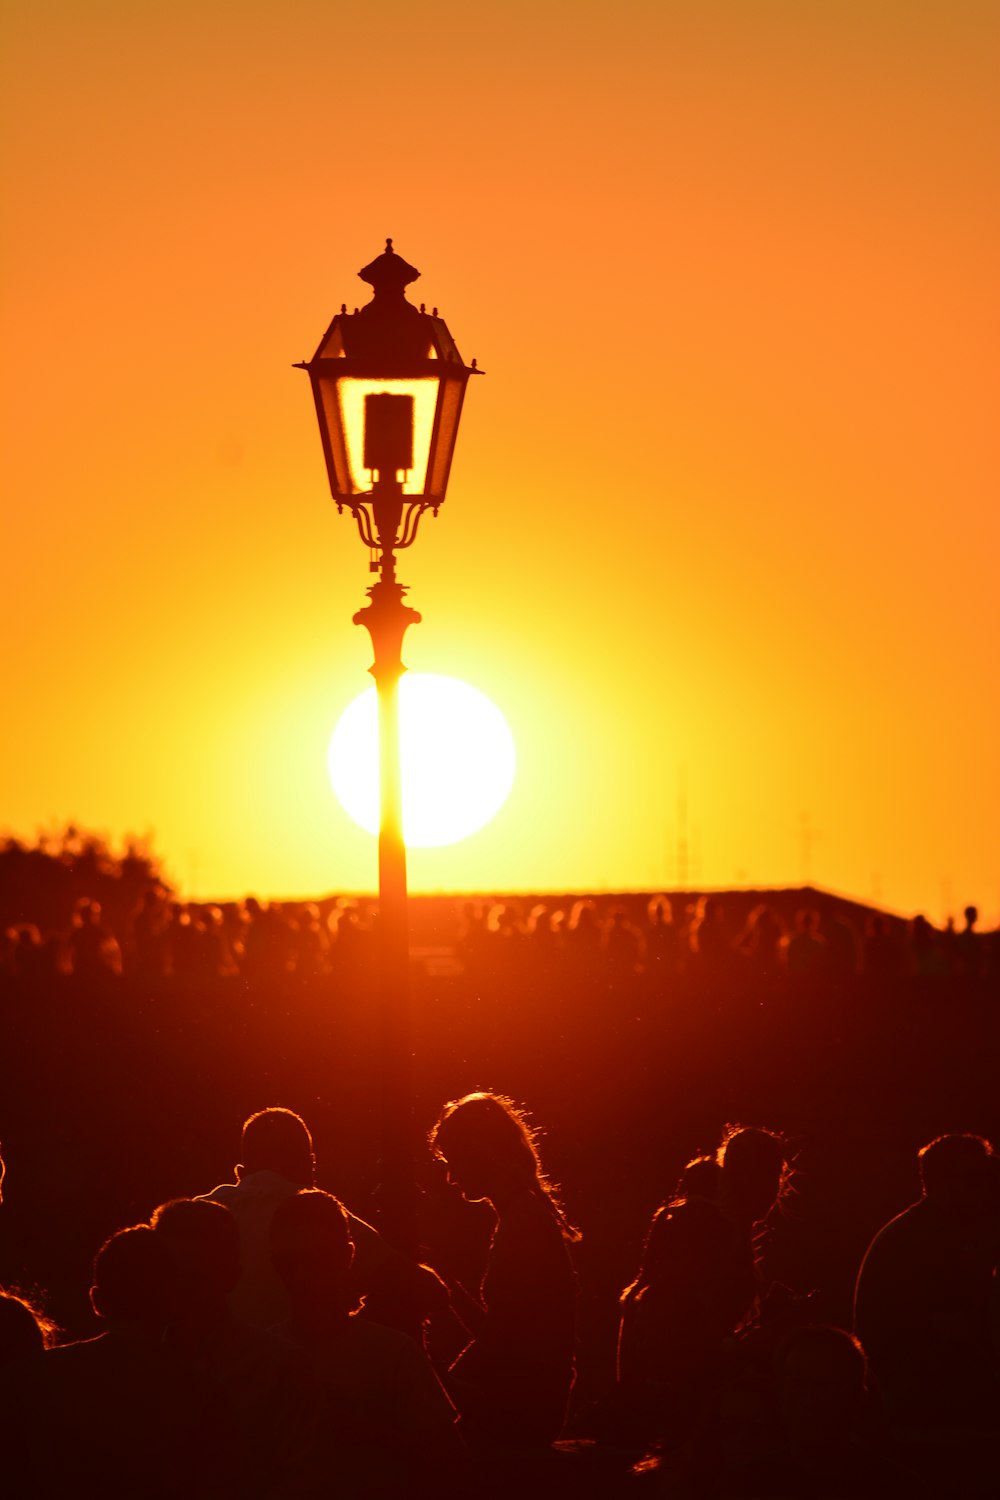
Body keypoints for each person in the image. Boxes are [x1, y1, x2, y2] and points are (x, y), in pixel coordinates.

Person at [269, 1188, 467, 1494]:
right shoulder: (262, 1356)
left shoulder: (394, 1355)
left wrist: (349, 1428)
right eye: (291, 1263)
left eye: (318, 1260)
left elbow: (450, 1463)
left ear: (347, 1255)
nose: (303, 1275)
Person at [198, 1105, 448, 1336]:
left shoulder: (199, 1212)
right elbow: (430, 1292)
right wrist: (352, 1330)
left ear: (240, 1173)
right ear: (309, 1166)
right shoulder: (313, 1212)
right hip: (301, 1371)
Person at [429, 1091, 580, 1449]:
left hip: (523, 1403)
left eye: (453, 1161)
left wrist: (444, 1379)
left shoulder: (523, 1224)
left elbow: (505, 1341)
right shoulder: (524, 1216)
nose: (451, 1178)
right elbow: (507, 1331)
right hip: (536, 1397)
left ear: (478, 1153)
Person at [853, 1133, 1000, 1436]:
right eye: (974, 1177)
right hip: (928, 1412)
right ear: (944, 1182)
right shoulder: (923, 1240)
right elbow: (959, 1330)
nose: (987, 1187)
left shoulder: (924, 1231)